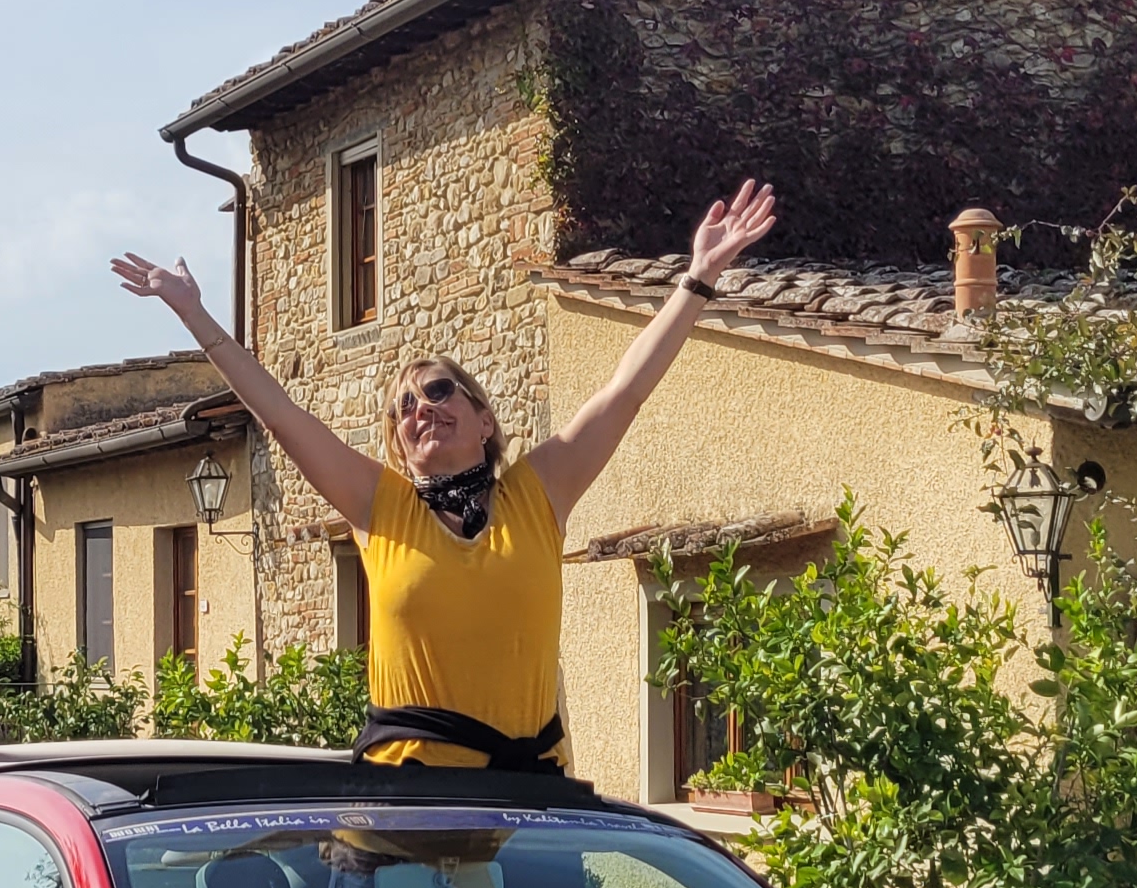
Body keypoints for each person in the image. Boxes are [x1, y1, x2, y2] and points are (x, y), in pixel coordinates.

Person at [111, 178, 779, 771]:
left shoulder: (538, 494)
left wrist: (698, 278)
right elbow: (281, 415)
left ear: (484, 421)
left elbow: (623, 393)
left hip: (528, 807)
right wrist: (193, 312)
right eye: (404, 409)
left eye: (438, 393)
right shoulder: (380, 506)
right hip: (408, 809)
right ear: (399, 448)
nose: (420, 409)